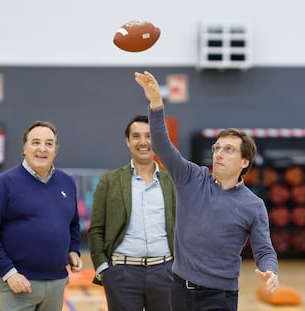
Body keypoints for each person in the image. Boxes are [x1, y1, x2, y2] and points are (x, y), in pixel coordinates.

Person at [134, 71, 279, 311]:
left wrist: (270, 270)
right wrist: (156, 103)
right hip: (179, 290)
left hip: (219, 297)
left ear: (245, 162)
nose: (219, 153)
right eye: (217, 147)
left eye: (229, 149)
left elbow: (264, 249)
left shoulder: (253, 205)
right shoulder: (191, 177)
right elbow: (161, 145)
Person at [88, 115, 176, 311]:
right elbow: (96, 230)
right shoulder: (109, 181)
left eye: (149, 136)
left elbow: (184, 226)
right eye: (136, 136)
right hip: (122, 275)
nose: (143, 142)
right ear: (128, 141)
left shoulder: (171, 182)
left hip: (166, 273)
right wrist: (104, 268)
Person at [0, 120, 82, 311]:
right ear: (24, 148)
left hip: (57, 284)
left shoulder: (66, 182)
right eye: (35, 142)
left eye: (49, 144)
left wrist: (73, 250)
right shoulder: (3, 183)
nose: (42, 148)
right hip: (17, 284)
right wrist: (9, 273)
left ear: (55, 150)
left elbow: (73, 224)